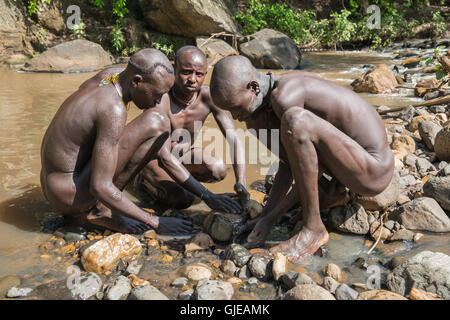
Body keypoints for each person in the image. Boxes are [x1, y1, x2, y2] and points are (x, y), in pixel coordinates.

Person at [209, 55, 394, 262]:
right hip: (351, 167)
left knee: (295, 120)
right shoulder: (272, 95)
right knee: (267, 124)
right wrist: (264, 218)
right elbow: (288, 165)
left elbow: (314, 169)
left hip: (373, 172)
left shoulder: (284, 96)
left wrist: (272, 217)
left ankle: (314, 227)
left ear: (253, 87)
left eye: (235, 108)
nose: (235, 117)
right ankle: (333, 194)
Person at [40, 48, 239, 235]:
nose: (158, 101)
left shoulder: (108, 78)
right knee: (156, 121)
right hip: (71, 194)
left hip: (55, 185)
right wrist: (154, 222)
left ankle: (100, 206)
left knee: (152, 123)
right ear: (136, 81)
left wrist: (209, 195)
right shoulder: (113, 109)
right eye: (157, 94)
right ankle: (101, 210)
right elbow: (99, 186)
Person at [142, 46, 249, 210]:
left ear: (205, 75)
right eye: (186, 72)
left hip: (181, 154)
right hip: (155, 158)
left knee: (218, 169)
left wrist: (241, 182)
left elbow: (234, 138)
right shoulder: (162, 97)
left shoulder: (208, 96)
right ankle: (142, 182)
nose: (192, 79)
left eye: (199, 74)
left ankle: (187, 186)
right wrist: (207, 195)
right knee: (182, 200)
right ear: (174, 70)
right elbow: (163, 155)